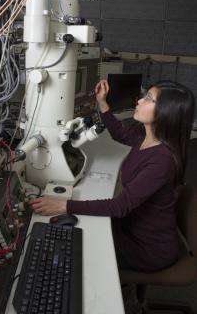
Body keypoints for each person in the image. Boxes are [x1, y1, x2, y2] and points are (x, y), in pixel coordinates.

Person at [28, 79, 195, 273]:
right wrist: (102, 102)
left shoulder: (162, 161)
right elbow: (120, 134)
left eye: (149, 99)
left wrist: (62, 205)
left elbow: (119, 206)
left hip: (148, 248)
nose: (140, 101)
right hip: (131, 228)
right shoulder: (147, 139)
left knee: (79, 256)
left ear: (167, 112)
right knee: (78, 234)